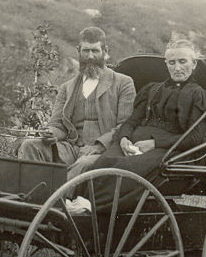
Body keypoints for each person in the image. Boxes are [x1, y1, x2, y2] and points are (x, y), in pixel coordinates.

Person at [86, 36, 206, 185]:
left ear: (194, 64)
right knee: (103, 164)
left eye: (182, 61)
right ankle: (83, 198)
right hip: (132, 143)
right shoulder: (153, 89)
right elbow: (132, 121)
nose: (177, 68)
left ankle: (97, 200)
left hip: (170, 150)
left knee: (125, 171)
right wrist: (124, 139)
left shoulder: (199, 96)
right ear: (166, 64)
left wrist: (155, 143)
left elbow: (195, 137)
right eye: (172, 62)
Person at [16, 26, 135, 180]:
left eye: (95, 51)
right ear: (78, 50)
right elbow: (57, 125)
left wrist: (99, 146)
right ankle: (32, 189)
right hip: (71, 149)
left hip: (103, 151)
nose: (90, 56)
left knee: (83, 164)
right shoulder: (67, 88)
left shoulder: (123, 83)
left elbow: (125, 125)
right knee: (30, 145)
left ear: (105, 51)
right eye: (86, 51)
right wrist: (50, 133)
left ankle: (54, 193)